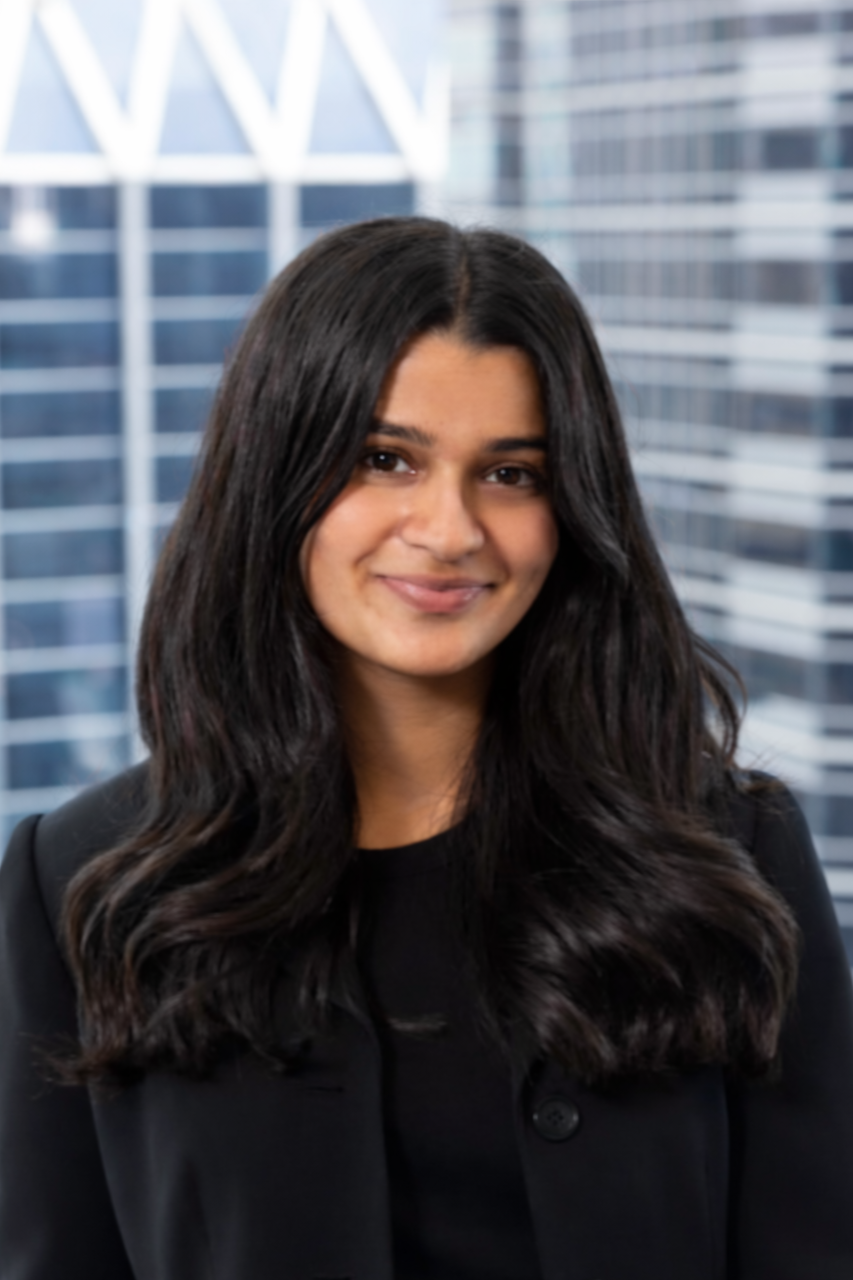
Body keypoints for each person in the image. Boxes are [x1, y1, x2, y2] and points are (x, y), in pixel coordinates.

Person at [1, 217, 852, 1280]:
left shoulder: (727, 851)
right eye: (384, 459)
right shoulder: (81, 882)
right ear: (275, 476)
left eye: (511, 473)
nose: (449, 530)